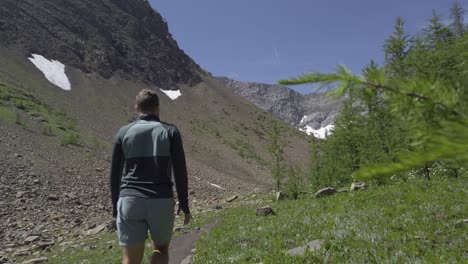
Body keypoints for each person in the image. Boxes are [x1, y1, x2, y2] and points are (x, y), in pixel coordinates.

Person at [110, 89, 191, 264]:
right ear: (157, 108)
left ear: (136, 107)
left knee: (130, 259)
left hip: (129, 199)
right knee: (160, 250)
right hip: (161, 200)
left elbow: (114, 174)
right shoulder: (170, 131)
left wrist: (115, 208)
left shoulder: (123, 132)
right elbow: (180, 171)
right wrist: (184, 204)